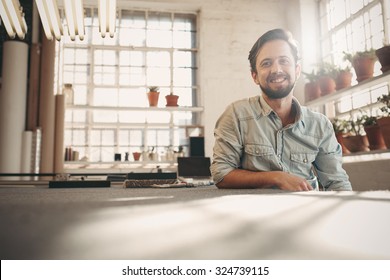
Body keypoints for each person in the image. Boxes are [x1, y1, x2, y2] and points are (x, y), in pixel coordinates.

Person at [210, 29, 352, 191]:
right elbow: (221, 174)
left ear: (297, 70)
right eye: (266, 63)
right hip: (252, 212)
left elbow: (337, 182)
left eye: (284, 61)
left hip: (306, 211)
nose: (276, 70)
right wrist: (276, 177)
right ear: (254, 76)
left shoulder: (320, 124)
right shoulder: (236, 114)